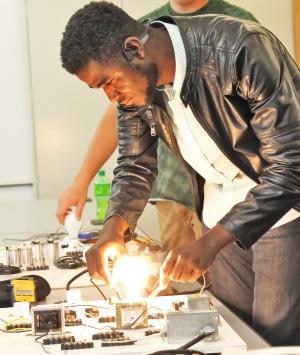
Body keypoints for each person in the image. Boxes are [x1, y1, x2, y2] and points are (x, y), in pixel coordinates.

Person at [60, 1, 300, 346]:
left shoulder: (241, 48)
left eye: (109, 82)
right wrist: (113, 230)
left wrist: (210, 242)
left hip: (282, 204)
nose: (111, 96)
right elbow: (134, 163)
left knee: (274, 339)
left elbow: (291, 165)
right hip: (218, 205)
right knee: (235, 333)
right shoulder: (134, 94)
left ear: (134, 48)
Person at [56, 0, 258, 252]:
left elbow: (272, 122)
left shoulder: (236, 26)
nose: (111, 94)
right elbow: (122, 113)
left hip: (247, 190)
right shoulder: (144, 27)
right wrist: (82, 179)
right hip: (174, 190)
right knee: (191, 282)